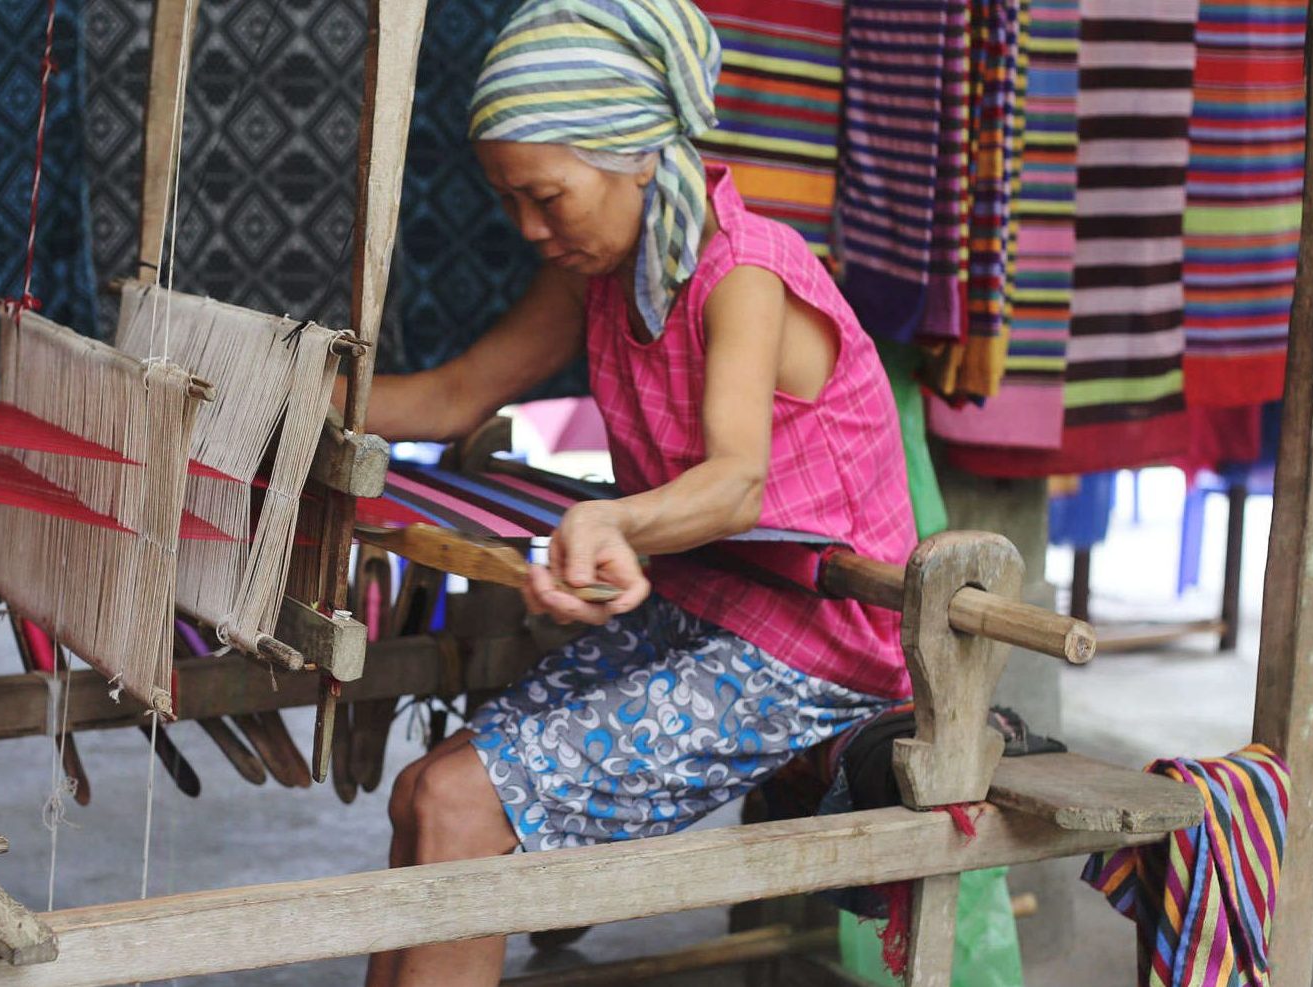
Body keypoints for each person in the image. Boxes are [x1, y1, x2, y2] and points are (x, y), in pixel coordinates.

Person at [350, 1, 916, 983]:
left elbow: (736, 484)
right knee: (422, 792)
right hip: (711, 609)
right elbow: (451, 398)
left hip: (820, 648)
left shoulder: (745, 274)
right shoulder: (604, 272)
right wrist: (284, 391)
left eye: (548, 197)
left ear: (638, 156)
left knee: (460, 804)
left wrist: (610, 517)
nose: (531, 228)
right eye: (512, 202)